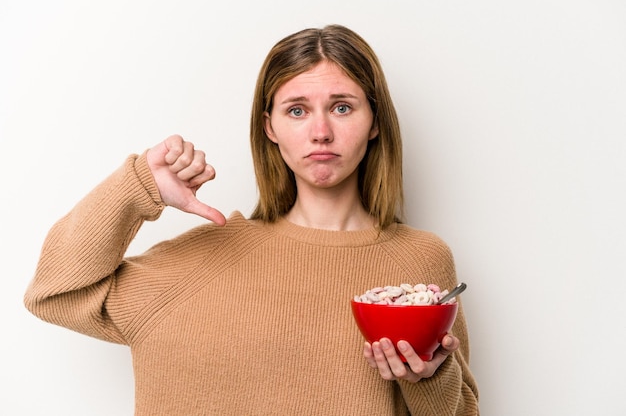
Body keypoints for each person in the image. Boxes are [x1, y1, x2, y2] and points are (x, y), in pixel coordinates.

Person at [24, 24, 479, 415]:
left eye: (342, 106)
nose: (321, 131)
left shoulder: (420, 262)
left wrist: (429, 379)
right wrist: (140, 187)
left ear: (374, 121)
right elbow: (55, 293)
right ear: (270, 128)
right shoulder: (196, 264)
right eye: (296, 110)